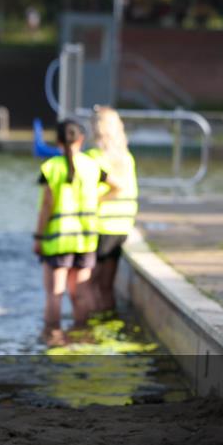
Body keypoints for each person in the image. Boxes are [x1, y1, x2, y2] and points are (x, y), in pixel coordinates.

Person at [33, 119, 121, 347]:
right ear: (81, 140)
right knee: (80, 294)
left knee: (55, 294)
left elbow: (46, 207)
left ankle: (52, 338)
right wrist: (97, 201)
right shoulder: (92, 166)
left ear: (58, 141)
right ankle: (83, 336)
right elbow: (117, 186)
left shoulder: (51, 168)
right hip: (85, 240)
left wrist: (39, 237)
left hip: (57, 241)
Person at [86, 106, 138, 313]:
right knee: (107, 287)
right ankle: (107, 325)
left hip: (101, 226)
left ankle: (86, 330)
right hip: (122, 226)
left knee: (88, 286)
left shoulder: (93, 157)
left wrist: (93, 201)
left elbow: (114, 188)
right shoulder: (127, 157)